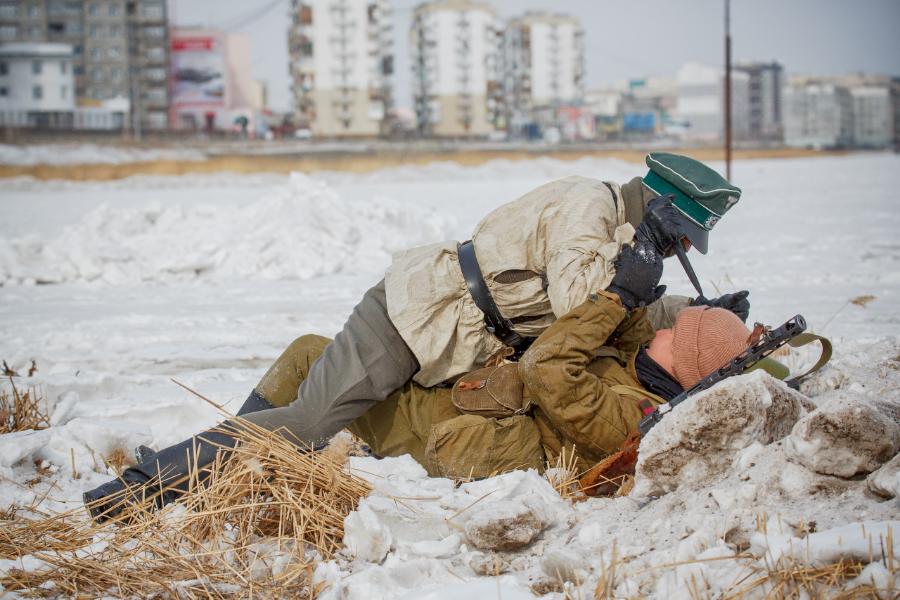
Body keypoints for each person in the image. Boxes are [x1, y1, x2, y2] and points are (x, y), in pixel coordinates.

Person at [84, 152, 750, 518]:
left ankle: (213, 476)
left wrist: (699, 311)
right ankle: (138, 489)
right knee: (311, 422)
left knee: (304, 395)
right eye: (685, 235)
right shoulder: (591, 210)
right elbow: (589, 312)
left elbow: (615, 311)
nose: (682, 247)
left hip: (453, 335)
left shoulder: (616, 236)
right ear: (662, 210)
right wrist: (644, 298)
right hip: (417, 316)